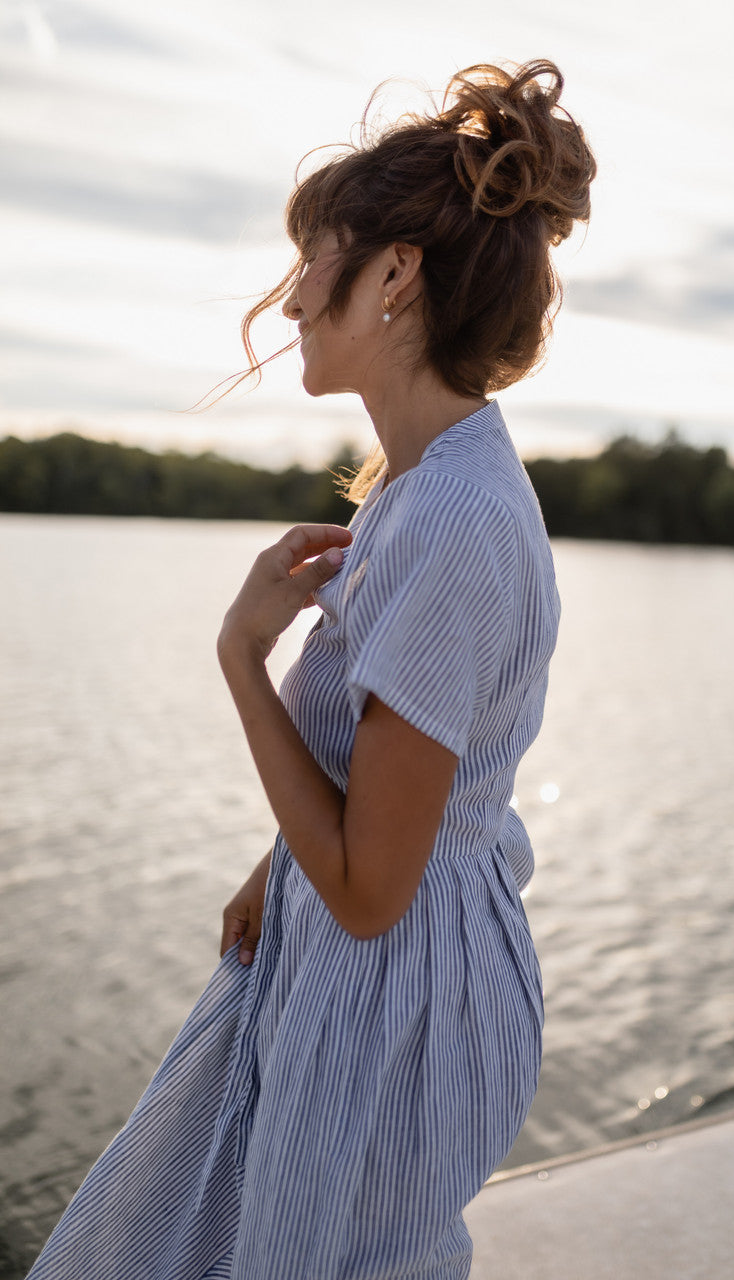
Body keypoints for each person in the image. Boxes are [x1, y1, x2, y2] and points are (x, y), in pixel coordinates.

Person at [26, 58, 595, 1280]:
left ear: (394, 274)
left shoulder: (450, 521)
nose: (288, 302)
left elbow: (373, 891)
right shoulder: (425, 488)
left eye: (313, 261)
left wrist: (240, 654)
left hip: (394, 990)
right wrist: (275, 860)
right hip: (387, 961)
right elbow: (399, 775)